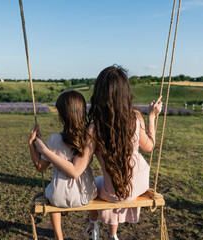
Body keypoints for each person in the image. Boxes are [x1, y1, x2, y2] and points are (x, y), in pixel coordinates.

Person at [34, 65, 163, 240]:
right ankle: (112, 234)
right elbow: (150, 146)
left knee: (98, 184)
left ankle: (93, 224)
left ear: (99, 94)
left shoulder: (94, 129)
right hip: (139, 185)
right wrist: (152, 117)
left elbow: (76, 170)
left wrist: (43, 149)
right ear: (125, 93)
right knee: (114, 181)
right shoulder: (135, 117)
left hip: (113, 194)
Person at [29, 90, 97, 240]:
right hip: (86, 195)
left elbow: (40, 167)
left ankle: (58, 235)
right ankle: (94, 223)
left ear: (62, 116)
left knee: (52, 188)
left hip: (59, 197)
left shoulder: (54, 140)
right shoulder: (88, 137)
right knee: (97, 183)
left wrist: (32, 144)